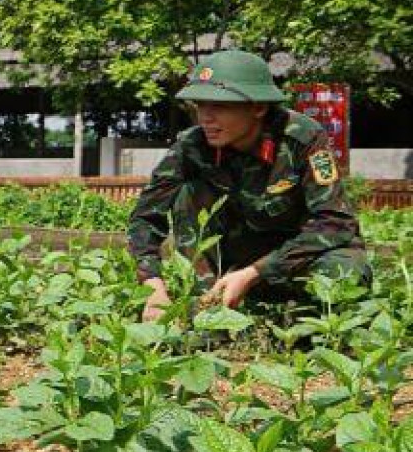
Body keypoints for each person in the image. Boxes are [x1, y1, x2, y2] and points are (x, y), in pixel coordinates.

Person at [128, 50, 370, 322]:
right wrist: (152, 284)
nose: (205, 117)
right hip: (238, 262)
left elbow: (336, 223)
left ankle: (305, 317)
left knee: (346, 273)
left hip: (296, 260)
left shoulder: (302, 138)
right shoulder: (192, 145)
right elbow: (145, 218)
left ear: (258, 107)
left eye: (219, 106)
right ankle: (208, 305)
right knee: (188, 193)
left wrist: (256, 272)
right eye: (200, 105)